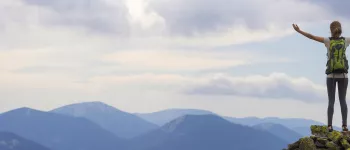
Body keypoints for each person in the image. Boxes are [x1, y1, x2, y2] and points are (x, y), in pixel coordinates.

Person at [293, 21, 350, 132]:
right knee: (343, 100)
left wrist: (299, 31)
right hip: (344, 76)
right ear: (340, 29)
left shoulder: (327, 41)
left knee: (331, 101)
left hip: (331, 76)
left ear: (331, 29)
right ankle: (344, 126)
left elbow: (311, 37)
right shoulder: (346, 40)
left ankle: (329, 126)